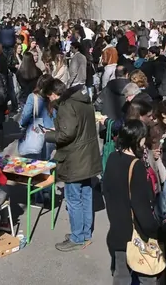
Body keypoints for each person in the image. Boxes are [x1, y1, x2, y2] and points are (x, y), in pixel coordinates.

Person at [43, 80, 103, 252]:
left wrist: (49, 135)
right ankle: (84, 233)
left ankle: (77, 236)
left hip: (74, 158)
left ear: (54, 93)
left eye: (50, 96)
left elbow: (66, 134)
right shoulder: (83, 101)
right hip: (87, 156)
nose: (50, 100)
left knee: (74, 199)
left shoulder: (66, 106)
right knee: (86, 194)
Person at [103, 120, 161, 285]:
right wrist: (154, 230)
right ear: (139, 139)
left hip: (117, 229)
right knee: (146, 276)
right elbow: (141, 206)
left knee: (121, 276)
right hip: (135, 233)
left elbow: (106, 190)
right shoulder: (136, 166)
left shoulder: (113, 157)